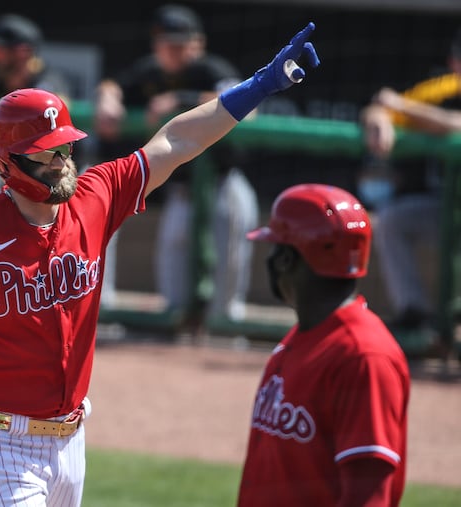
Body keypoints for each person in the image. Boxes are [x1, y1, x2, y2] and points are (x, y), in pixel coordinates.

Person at [0, 23, 320, 506]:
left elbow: (177, 141)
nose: (61, 161)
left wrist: (261, 85)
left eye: (64, 147)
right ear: (7, 164)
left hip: (70, 444)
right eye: (45, 154)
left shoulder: (96, 196)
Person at [236, 183, 410, 506]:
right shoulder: (303, 338)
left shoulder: (363, 357)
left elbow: (368, 498)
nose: (270, 260)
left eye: (275, 249)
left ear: (288, 259)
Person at [94, 3, 258, 329]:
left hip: (223, 186)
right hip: (182, 191)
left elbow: (246, 105)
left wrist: (181, 99)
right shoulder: (149, 72)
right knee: (172, 278)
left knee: (225, 283)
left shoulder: (210, 69)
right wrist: (107, 97)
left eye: (180, 43)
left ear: (197, 43)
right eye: (166, 43)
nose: (172, 51)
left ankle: (226, 338)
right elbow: (114, 84)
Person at [358, 28, 461, 333]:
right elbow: (381, 104)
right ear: (453, 62)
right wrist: (377, 116)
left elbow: (457, 124)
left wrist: (400, 108)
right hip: (446, 208)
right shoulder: (442, 90)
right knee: (392, 220)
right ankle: (413, 312)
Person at [0, 12, 75, 210]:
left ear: (22, 53)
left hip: (45, 165)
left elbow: (61, 123)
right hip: (4, 163)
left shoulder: (48, 85)